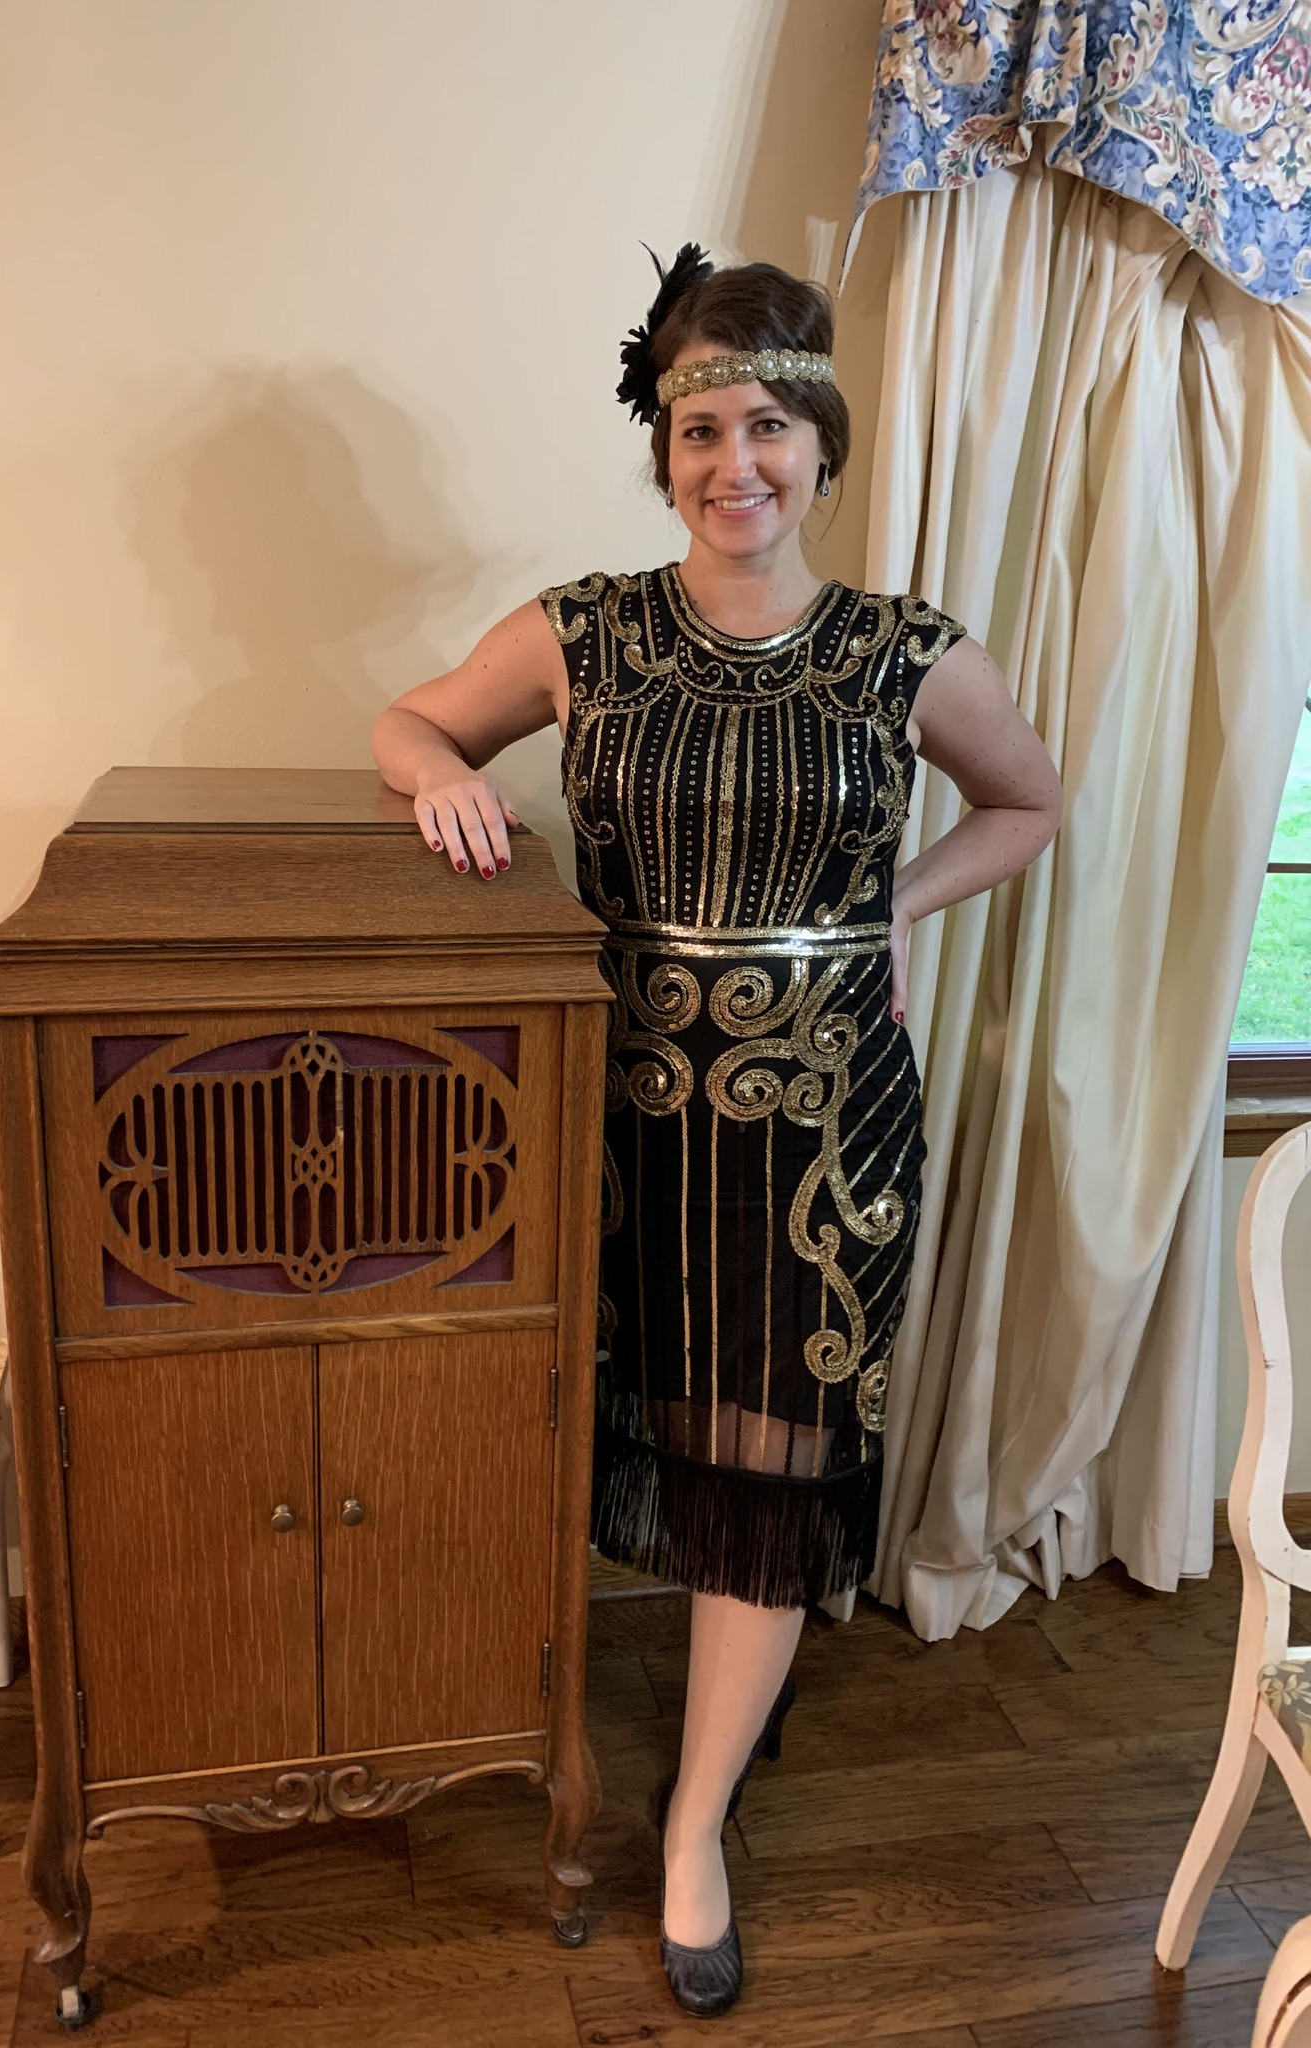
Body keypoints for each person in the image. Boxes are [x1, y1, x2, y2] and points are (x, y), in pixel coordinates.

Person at [372, 245, 1062, 2017]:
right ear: (661, 449)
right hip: (610, 1108)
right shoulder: (581, 630)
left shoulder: (907, 651)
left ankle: (692, 1828)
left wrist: (891, 911)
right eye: (698, 427)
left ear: (820, 442)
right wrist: (446, 772)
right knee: (587, 1410)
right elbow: (407, 717)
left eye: (767, 423)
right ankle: (617, 1748)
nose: (732, 460)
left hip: (827, 1129)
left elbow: (1032, 799)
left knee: (764, 1465)